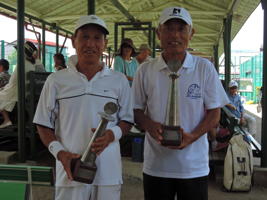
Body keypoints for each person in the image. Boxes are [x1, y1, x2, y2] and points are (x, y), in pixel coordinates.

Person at [132, 7, 229, 200]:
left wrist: (192, 136)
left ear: (191, 33)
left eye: (181, 29)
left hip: (194, 168)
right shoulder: (145, 70)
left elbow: (214, 112)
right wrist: (149, 125)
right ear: (159, 33)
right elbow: (135, 110)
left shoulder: (205, 68)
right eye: (168, 29)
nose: (174, 34)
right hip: (157, 167)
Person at [33, 15, 133, 200]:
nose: (90, 43)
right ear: (73, 41)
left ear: (105, 43)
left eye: (97, 38)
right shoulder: (56, 80)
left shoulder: (118, 80)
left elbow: (127, 119)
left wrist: (112, 135)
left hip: (108, 173)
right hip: (70, 172)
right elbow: (43, 123)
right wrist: (60, 154)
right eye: (84, 37)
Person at [0, 41, 37, 128]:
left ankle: (7, 119)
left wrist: (4, 88)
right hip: (25, 94)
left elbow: (13, 82)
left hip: (18, 95)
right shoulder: (31, 65)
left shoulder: (21, 63)